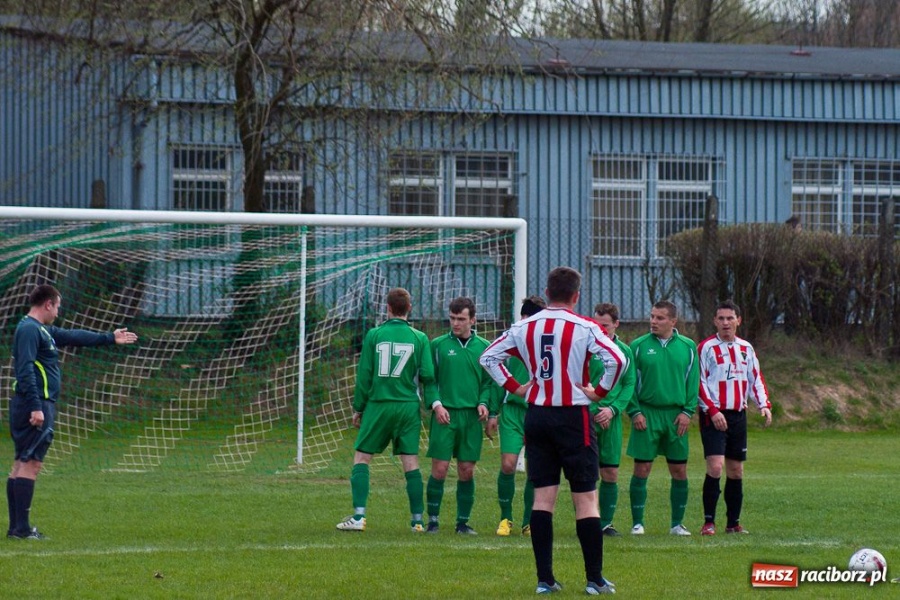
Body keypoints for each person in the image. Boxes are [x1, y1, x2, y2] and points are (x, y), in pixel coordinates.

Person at [481, 266, 626, 596]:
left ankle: (545, 579)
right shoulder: (585, 326)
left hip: (538, 416)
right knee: (586, 499)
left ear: (546, 293)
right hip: (574, 417)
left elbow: (488, 358)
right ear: (577, 296)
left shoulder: (524, 326)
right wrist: (599, 393)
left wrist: (517, 388)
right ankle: (594, 579)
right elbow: (618, 360)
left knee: (543, 498)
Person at [7, 284, 138, 540]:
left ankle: (17, 528)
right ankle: (21, 529)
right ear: (48, 304)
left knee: (21, 463)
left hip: (31, 403)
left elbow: (72, 336)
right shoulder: (29, 330)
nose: (57, 312)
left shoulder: (41, 329)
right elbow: (24, 370)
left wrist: (109, 338)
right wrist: (36, 406)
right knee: (30, 465)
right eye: (57, 306)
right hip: (35, 404)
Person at [336, 287, 438, 533]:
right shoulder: (420, 338)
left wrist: (358, 408)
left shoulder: (374, 334)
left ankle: (359, 517)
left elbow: (365, 376)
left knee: (362, 458)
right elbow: (427, 375)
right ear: (409, 308)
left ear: (388, 308)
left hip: (379, 404)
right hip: (407, 407)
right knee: (410, 462)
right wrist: (432, 403)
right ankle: (417, 522)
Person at [697, 300, 772, 536]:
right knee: (716, 467)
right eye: (721, 318)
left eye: (730, 318)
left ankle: (733, 524)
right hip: (714, 415)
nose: (726, 323)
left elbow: (755, 378)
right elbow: (698, 383)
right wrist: (712, 410)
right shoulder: (706, 348)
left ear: (739, 320)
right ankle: (709, 522)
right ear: (715, 321)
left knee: (736, 471)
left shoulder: (746, 348)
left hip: (738, 416)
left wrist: (764, 404)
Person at [626, 300, 699, 536]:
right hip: (646, 414)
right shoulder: (637, 346)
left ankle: (677, 524)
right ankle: (637, 523)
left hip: (676, 416)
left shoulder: (688, 347)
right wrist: (635, 411)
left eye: (659, 318)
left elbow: (693, 382)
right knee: (642, 468)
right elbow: (628, 384)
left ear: (673, 321)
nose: (653, 321)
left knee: (679, 470)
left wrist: (688, 412)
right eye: (652, 316)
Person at [425, 297, 496, 535]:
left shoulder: (484, 347)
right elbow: (428, 380)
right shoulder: (437, 345)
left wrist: (484, 403)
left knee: (466, 470)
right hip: (445, 415)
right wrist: (436, 405)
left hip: (471, 418)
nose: (455, 323)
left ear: (472, 320)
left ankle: (462, 523)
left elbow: (488, 382)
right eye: (452, 318)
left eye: (461, 319)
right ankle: (433, 521)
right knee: (440, 469)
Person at [487, 295, 546, 537]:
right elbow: (494, 377)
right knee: (508, 464)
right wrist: (492, 411)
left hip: (539, 410)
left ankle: (528, 522)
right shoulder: (510, 342)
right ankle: (505, 517)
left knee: (536, 469)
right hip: (512, 411)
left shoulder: (548, 343)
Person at [589, 303, 636, 538]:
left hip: (612, 420)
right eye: (596, 323)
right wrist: (596, 408)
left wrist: (613, 409)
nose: (600, 329)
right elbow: (578, 381)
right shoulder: (586, 347)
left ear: (616, 324)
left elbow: (628, 384)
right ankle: (587, 521)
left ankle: (605, 523)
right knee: (586, 474)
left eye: (604, 325)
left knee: (610, 473)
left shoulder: (624, 351)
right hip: (587, 417)